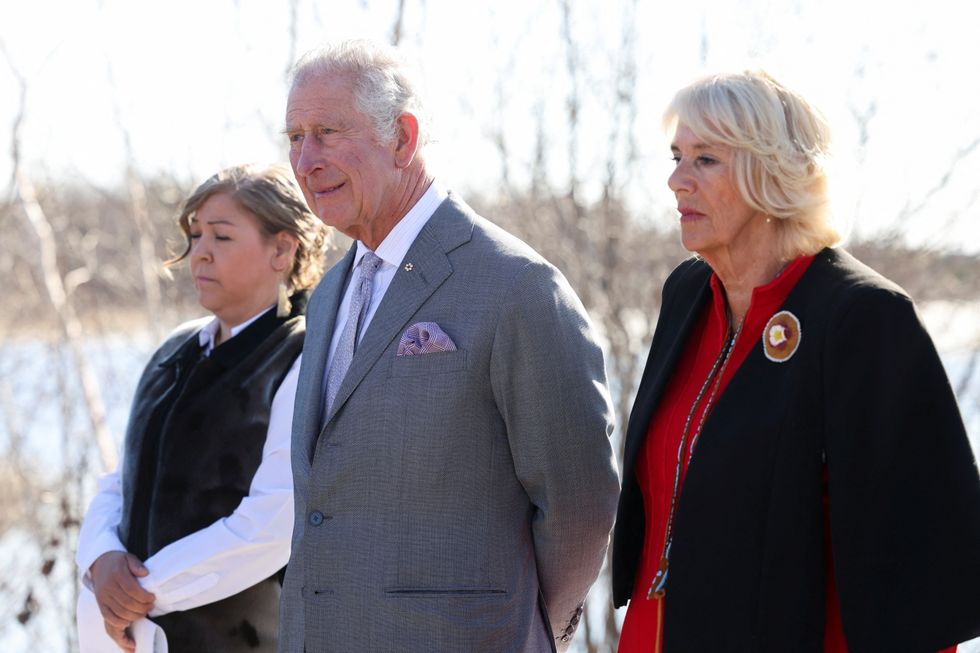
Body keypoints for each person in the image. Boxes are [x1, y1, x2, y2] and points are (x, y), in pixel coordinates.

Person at [611, 70, 980, 652]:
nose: (676, 180)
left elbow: (916, 566)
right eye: (677, 155)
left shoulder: (864, 318)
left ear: (772, 172)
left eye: (705, 159)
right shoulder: (686, 295)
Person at [279, 39, 620, 653]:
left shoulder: (516, 285)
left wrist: (522, 629)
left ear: (403, 138)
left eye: (327, 133)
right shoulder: (329, 294)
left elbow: (580, 503)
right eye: (295, 137)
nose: (305, 161)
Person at [75, 163, 329, 653]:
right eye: (195, 236)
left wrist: (139, 591)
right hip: (128, 635)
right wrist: (101, 558)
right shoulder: (175, 347)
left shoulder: (304, 359)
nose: (200, 254)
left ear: (282, 249)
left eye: (222, 237)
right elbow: (121, 478)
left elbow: (275, 523)